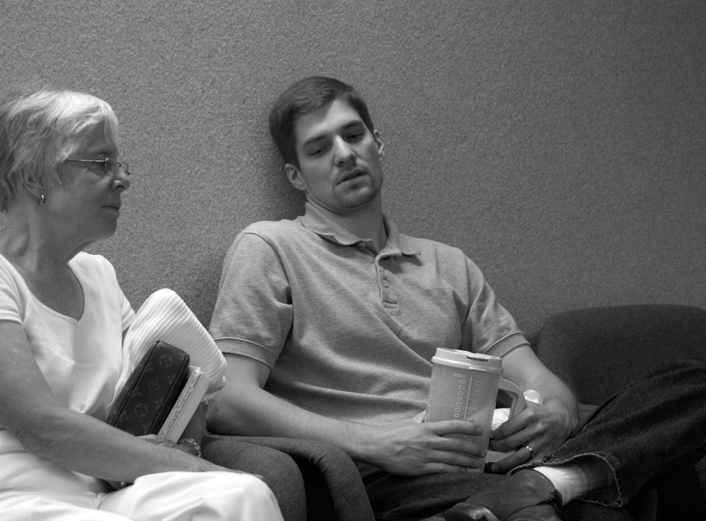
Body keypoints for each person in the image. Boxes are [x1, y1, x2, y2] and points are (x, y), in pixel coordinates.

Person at [206, 76, 706, 520]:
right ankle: (565, 485)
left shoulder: (449, 264)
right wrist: (378, 443)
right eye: (318, 148)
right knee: (613, 502)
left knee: (689, 383)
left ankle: (554, 481)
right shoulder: (270, 246)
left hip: (497, 459)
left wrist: (554, 411)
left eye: (354, 134)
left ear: (378, 145)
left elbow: (538, 381)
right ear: (296, 176)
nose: (343, 153)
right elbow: (228, 400)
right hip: (393, 475)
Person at [0, 88, 283, 521]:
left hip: (95, 497)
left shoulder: (97, 275)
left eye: (118, 164)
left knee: (243, 495)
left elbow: (157, 394)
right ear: (33, 177)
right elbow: (42, 428)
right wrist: (197, 468)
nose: (122, 178)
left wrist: (186, 436)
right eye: (101, 163)